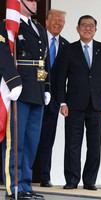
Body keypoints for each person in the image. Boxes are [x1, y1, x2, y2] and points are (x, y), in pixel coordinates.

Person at [57, 15, 101, 190]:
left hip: (98, 106)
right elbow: (60, 80)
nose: (87, 28)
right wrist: (62, 103)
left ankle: (90, 181)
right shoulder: (68, 49)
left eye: (91, 25)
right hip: (74, 105)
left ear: (95, 30)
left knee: (94, 145)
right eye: (84, 25)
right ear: (77, 28)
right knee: (72, 145)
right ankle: (72, 180)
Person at [0, 0, 50, 199]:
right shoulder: (8, 24)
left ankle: (26, 185)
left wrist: (46, 87)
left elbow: (44, 60)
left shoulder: (38, 27)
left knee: (31, 142)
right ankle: (14, 188)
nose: (34, 3)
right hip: (19, 89)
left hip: (36, 90)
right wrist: (13, 82)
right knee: (15, 142)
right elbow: (3, 55)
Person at [38, 9, 69, 187]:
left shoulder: (66, 45)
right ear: (47, 21)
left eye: (61, 21)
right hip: (34, 95)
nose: (58, 23)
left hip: (54, 100)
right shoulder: (38, 40)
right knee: (28, 138)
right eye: (55, 20)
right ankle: (18, 174)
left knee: (47, 140)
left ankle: (44, 177)